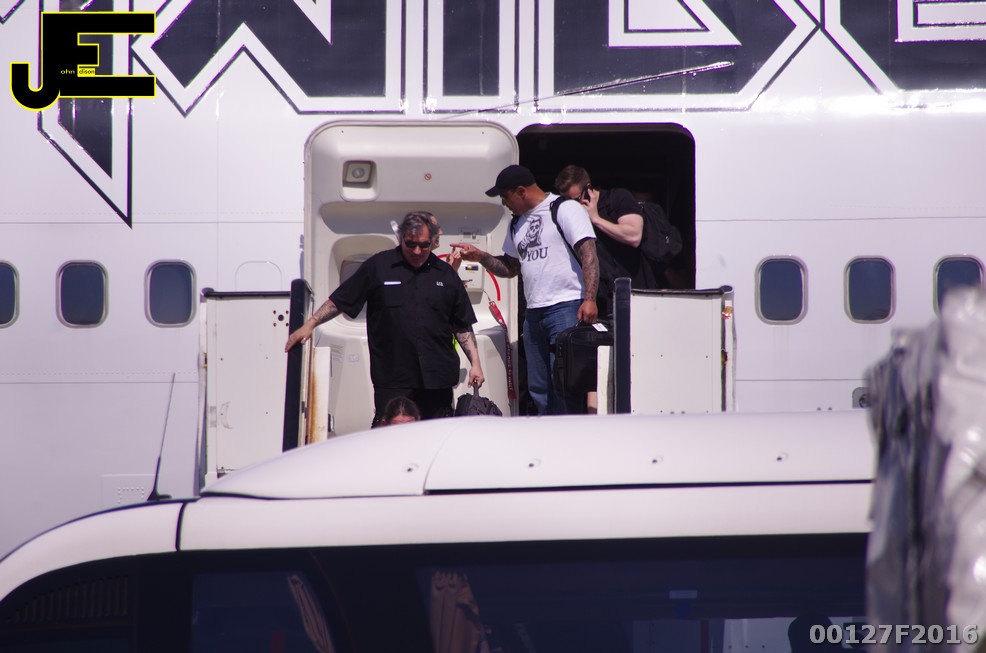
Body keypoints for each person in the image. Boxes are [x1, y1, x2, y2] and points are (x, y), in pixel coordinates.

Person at [285, 211, 485, 426]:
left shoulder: (445, 274)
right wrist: (310, 324)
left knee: (436, 436)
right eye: (411, 244)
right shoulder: (378, 266)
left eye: (424, 245)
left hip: (437, 379)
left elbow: (461, 324)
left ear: (433, 241)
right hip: (393, 378)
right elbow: (341, 300)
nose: (417, 251)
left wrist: (475, 363)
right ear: (401, 238)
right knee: (391, 437)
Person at [451, 164, 598, 415]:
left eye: (505, 196)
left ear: (521, 191)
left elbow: (588, 253)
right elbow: (510, 268)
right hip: (533, 313)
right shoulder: (516, 223)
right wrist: (481, 256)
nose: (503, 202)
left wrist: (590, 298)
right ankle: (544, 431)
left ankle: (568, 433)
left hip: (566, 306)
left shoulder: (563, 208)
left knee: (564, 383)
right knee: (538, 387)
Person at [554, 165, 662, 320]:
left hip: (633, 291)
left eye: (576, 200)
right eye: (566, 201)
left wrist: (596, 219)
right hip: (600, 298)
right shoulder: (568, 214)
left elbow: (634, 236)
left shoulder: (617, 198)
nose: (572, 206)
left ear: (588, 188)